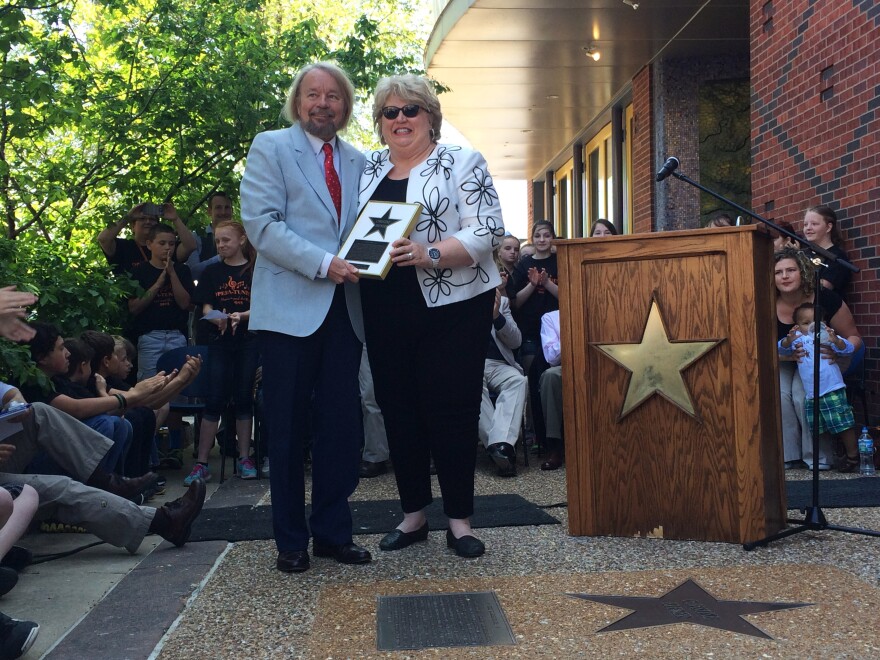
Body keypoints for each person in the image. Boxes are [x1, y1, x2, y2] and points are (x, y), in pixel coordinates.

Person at [358, 74, 504, 559]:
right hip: (384, 307)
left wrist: (429, 253)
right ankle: (414, 514)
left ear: (430, 116)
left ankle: (459, 520)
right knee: (398, 409)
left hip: (453, 307)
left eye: (410, 110)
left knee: (453, 410)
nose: (400, 120)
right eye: (390, 113)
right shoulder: (367, 169)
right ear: (380, 123)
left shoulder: (462, 161)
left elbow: (487, 232)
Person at [240, 61, 369, 573]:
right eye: (313, 94)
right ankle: (290, 541)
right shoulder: (271, 147)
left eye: (333, 96)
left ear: (345, 106)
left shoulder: (360, 160)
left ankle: (333, 534)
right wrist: (323, 263)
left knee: (343, 430)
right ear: (298, 103)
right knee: (288, 431)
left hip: (347, 313)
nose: (322, 103)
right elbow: (261, 226)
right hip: (289, 311)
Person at [185, 221, 260, 484]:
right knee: (214, 398)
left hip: (247, 341)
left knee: (243, 398)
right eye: (218, 241)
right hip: (219, 341)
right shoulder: (211, 272)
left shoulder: (255, 270)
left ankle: (244, 457)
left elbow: (263, 307)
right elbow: (205, 308)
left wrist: (242, 315)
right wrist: (216, 317)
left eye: (226, 240)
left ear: (241, 240)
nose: (221, 245)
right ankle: (201, 463)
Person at [774, 248, 861, 469]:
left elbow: (854, 337)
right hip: (783, 360)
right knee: (781, 394)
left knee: (803, 395)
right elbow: (754, 346)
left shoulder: (826, 298)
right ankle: (788, 456)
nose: (784, 276)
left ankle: (818, 458)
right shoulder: (765, 302)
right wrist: (785, 357)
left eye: (791, 270)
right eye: (778, 272)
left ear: (802, 272)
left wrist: (838, 349)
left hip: (819, 362)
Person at [778, 303, 859, 472]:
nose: (811, 326)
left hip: (832, 388)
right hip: (812, 393)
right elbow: (782, 349)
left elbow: (848, 348)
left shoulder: (828, 336)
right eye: (806, 323)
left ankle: (853, 456)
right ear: (797, 326)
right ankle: (826, 455)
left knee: (842, 423)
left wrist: (836, 341)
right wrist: (788, 340)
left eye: (816, 321)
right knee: (819, 427)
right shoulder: (798, 339)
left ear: (824, 323)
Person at [128, 223, 195, 380]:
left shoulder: (182, 270)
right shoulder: (138, 272)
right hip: (150, 337)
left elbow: (186, 304)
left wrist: (172, 274)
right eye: (162, 243)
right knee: (150, 386)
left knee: (178, 385)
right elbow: (134, 308)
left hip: (177, 336)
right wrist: (158, 283)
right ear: (149, 244)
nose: (168, 248)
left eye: (171, 244)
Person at [479, 287, 525, 477]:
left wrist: (497, 316)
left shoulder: (503, 303)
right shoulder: (458, 304)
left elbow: (516, 342)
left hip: (499, 363)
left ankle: (498, 446)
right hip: (469, 363)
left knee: (518, 380)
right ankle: (501, 448)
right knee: (470, 384)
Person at [510, 220, 558, 377]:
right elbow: (515, 303)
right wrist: (532, 284)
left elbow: (569, 297)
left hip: (556, 331)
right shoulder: (524, 264)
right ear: (532, 238)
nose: (542, 239)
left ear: (553, 237)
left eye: (546, 235)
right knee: (531, 375)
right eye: (537, 236)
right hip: (530, 330)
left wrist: (546, 283)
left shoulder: (560, 261)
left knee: (551, 375)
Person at [98, 203, 197, 276]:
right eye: (142, 219)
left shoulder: (167, 246)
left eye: (152, 219)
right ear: (132, 226)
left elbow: (190, 246)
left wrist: (175, 219)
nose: (148, 221)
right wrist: (128, 217)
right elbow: (103, 239)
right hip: (132, 301)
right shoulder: (123, 246)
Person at [801, 205, 852, 294]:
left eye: (814, 224)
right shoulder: (802, 254)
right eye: (805, 224)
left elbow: (823, 288)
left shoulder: (837, 257)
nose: (808, 228)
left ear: (828, 227)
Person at [185, 191, 235, 280]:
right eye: (218, 208)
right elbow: (192, 273)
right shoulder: (197, 236)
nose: (223, 212)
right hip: (208, 291)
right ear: (209, 211)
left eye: (227, 207)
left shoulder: (243, 237)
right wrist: (220, 258)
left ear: (232, 211)